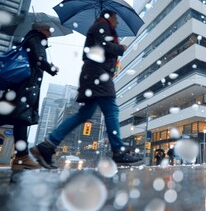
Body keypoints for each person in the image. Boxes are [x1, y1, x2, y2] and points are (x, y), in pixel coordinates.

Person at [30, 10, 143, 168]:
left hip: (94, 74)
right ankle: (118, 151)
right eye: (116, 18)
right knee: (111, 110)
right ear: (108, 16)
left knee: (84, 114)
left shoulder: (101, 27)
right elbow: (101, 46)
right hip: (98, 73)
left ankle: (47, 146)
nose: (117, 22)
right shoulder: (101, 25)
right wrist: (120, 48)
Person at [0, 22, 59, 170]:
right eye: (49, 30)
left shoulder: (30, 39)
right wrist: (52, 68)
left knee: (11, 117)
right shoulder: (36, 38)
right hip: (26, 86)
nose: (50, 33)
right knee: (21, 119)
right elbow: (38, 59)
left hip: (19, 86)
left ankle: (22, 157)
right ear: (42, 30)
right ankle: (22, 157)